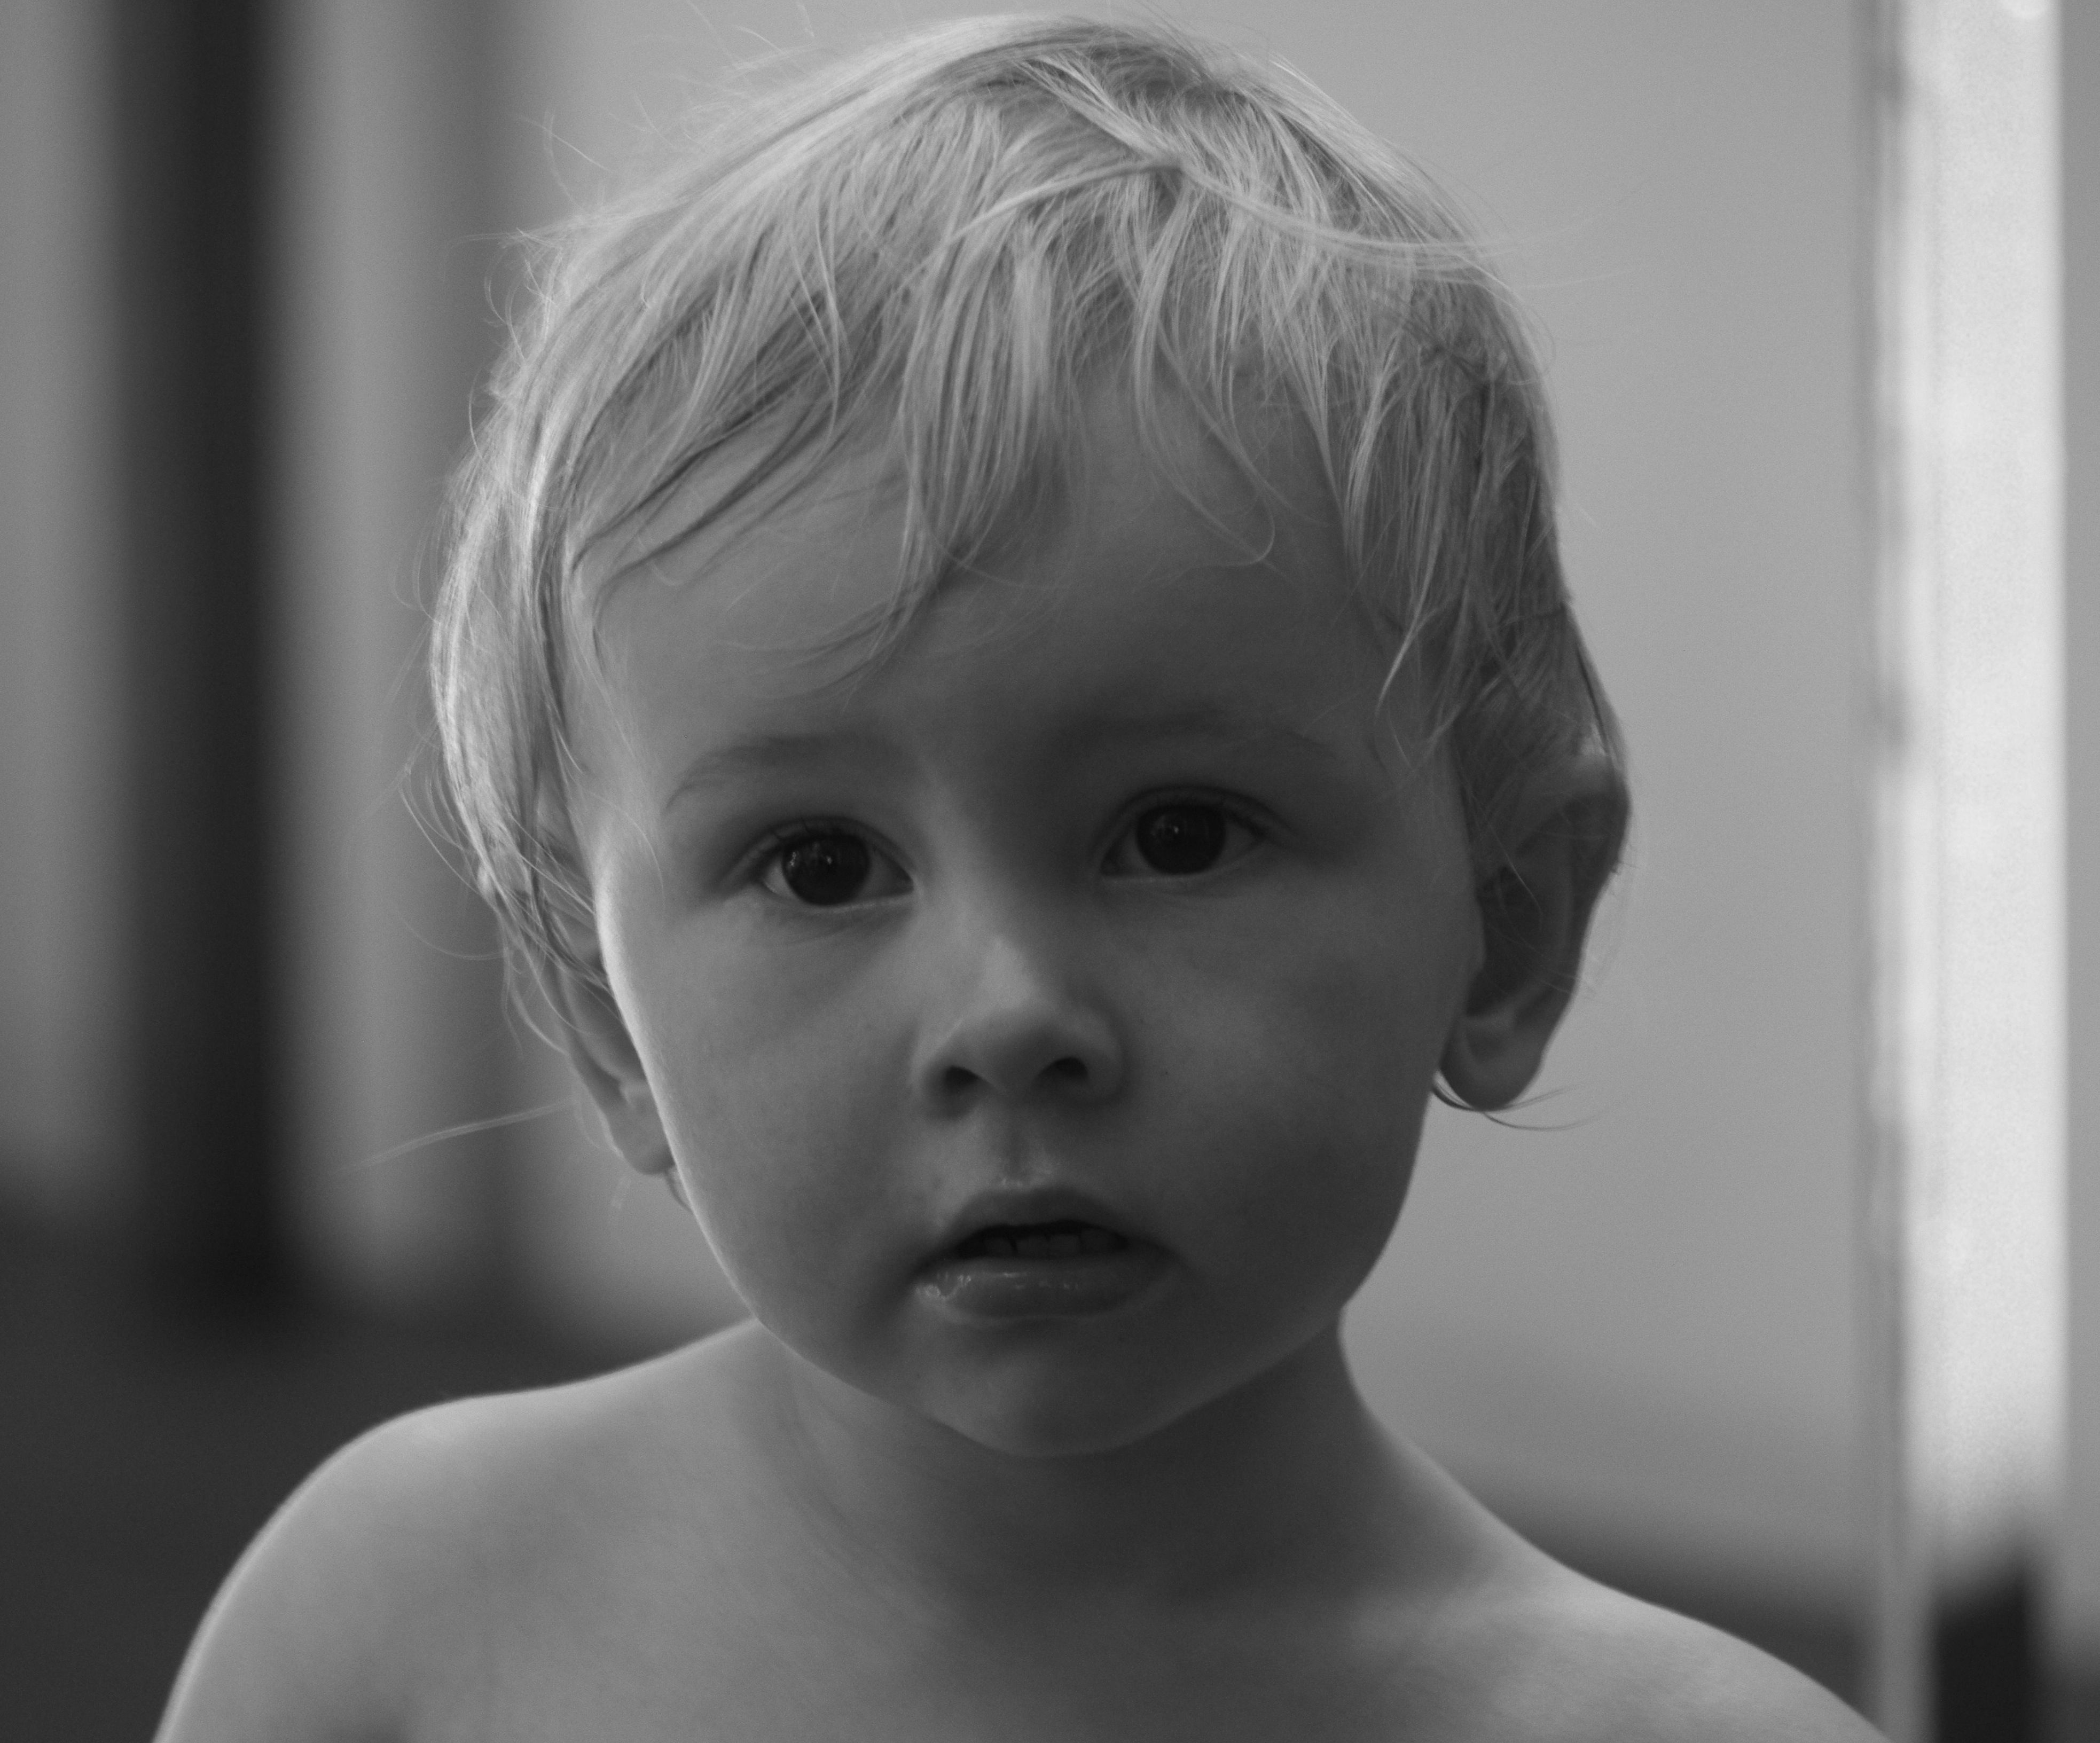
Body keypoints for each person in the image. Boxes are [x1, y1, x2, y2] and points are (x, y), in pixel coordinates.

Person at [157, 17, 1879, 1740]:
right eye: (820, 864)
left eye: (1179, 834)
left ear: (1505, 925)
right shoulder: (408, 1614)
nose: (1009, 1019)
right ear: (605, 1017)